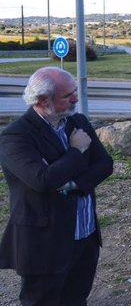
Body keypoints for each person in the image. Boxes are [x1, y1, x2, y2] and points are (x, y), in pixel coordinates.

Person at [0, 67, 114, 306]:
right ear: (42, 100)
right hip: (44, 245)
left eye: (74, 92)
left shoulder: (77, 122)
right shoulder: (16, 136)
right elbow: (43, 180)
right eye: (67, 95)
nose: (76, 98)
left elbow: (104, 164)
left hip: (85, 236)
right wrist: (76, 151)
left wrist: (73, 182)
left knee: (76, 300)